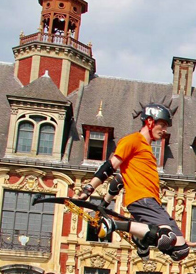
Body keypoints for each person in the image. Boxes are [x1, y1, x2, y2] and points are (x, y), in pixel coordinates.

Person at [72, 103, 189, 262]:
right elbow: (110, 166)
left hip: (152, 201)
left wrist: (104, 204)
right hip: (142, 199)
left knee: (181, 251)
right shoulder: (133, 140)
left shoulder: (147, 150)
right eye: (162, 125)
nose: (165, 130)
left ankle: (142, 238)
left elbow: (119, 180)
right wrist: (88, 188)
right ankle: (113, 224)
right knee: (166, 236)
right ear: (150, 121)